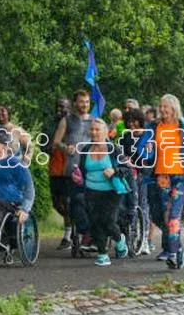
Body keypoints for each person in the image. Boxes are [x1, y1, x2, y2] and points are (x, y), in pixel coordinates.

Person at [133, 94, 184, 270]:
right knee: (162, 215)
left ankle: (172, 253)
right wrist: (148, 151)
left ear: (174, 108)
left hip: (180, 175)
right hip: (161, 175)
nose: (162, 109)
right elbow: (141, 150)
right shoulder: (153, 126)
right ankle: (178, 248)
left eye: (166, 106)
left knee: (173, 215)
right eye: (161, 106)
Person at [75, 119, 130, 266]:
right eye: (92, 130)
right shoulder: (85, 149)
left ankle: (119, 239)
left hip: (112, 190)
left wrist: (114, 170)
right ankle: (102, 254)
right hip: (91, 190)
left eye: (97, 130)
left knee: (108, 221)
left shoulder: (114, 149)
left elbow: (127, 168)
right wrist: (78, 177)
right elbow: (81, 171)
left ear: (105, 132)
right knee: (95, 222)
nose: (94, 133)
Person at [52, 90, 93, 250]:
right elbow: (56, 142)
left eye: (87, 102)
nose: (85, 105)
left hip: (91, 168)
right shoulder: (67, 120)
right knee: (72, 203)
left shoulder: (95, 121)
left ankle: (91, 235)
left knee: (90, 202)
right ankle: (78, 233)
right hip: (72, 169)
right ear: (75, 103)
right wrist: (65, 147)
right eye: (82, 102)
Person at [118, 107, 151, 254]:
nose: (131, 124)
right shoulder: (126, 136)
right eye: (129, 122)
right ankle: (129, 235)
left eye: (134, 121)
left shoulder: (148, 135)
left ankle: (144, 240)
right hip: (130, 173)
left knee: (143, 204)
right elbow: (122, 153)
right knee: (130, 202)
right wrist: (125, 159)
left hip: (144, 173)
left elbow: (150, 155)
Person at [46, 98, 72, 248]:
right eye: (57, 107)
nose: (59, 110)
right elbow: (45, 143)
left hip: (69, 169)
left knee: (68, 202)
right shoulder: (51, 123)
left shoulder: (73, 123)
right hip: (54, 168)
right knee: (56, 203)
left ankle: (68, 235)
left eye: (62, 107)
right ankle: (74, 224)